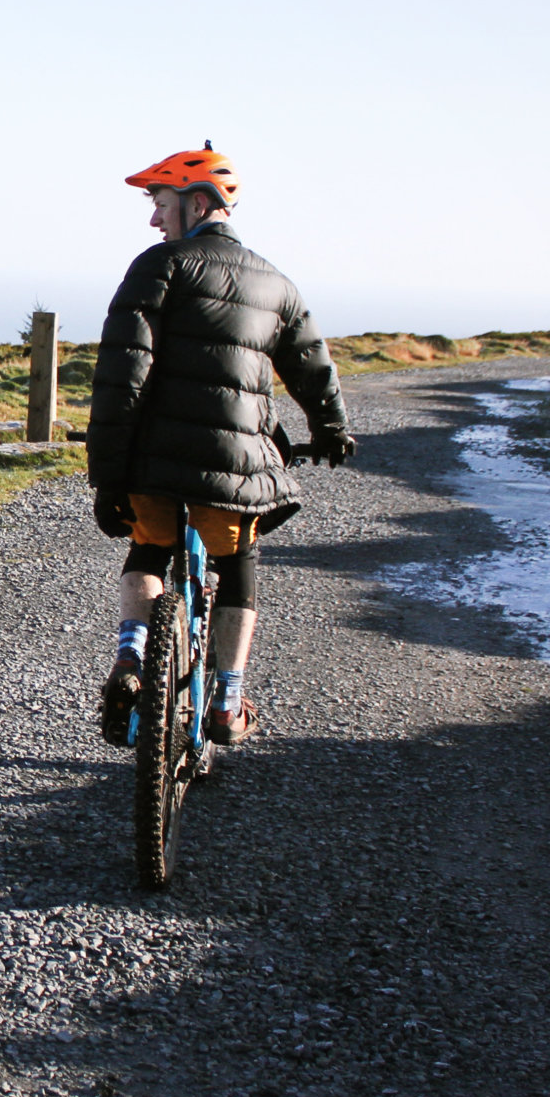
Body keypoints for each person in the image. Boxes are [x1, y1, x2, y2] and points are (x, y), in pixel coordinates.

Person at [85, 142, 354, 747]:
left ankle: (131, 658)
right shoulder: (277, 284)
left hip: (155, 464)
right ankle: (228, 701)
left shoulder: (160, 266)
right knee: (237, 566)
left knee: (148, 552)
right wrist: (330, 430)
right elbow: (313, 367)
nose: (154, 219)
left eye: (160, 203)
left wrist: (108, 476)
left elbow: (119, 375)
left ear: (198, 202)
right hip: (235, 468)